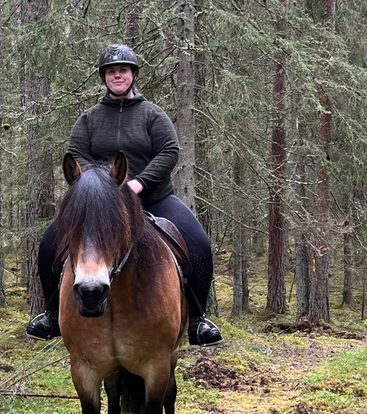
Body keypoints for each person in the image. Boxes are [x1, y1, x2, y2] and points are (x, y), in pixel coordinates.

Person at [26, 44, 224, 346]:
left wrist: (138, 183)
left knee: (199, 243)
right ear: (104, 77)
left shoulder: (153, 115)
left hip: (153, 198)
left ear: (133, 75)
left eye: (123, 70)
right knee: (50, 243)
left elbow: (169, 151)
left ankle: (197, 319)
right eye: (111, 71)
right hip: (101, 207)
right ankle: (51, 314)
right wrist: (103, 187)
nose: (117, 75)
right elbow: (77, 154)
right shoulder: (89, 119)